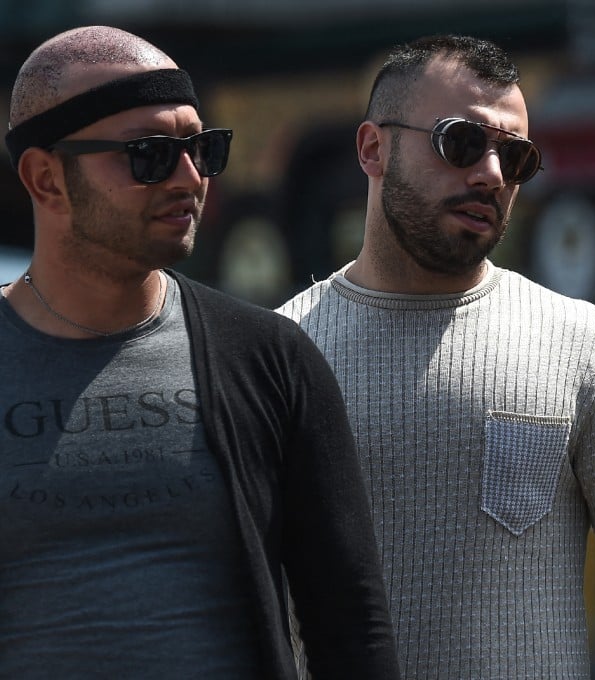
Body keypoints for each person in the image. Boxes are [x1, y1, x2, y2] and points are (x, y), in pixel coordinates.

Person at [277, 34, 595, 679]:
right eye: (460, 142)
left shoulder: (585, 345)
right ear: (373, 149)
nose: (491, 174)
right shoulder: (278, 355)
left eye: (515, 157)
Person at [0, 25, 399, 678]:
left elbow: (351, 627)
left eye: (202, 149)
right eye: (150, 154)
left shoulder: (269, 360)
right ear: (46, 179)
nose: (190, 177)